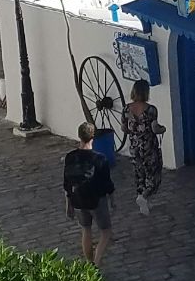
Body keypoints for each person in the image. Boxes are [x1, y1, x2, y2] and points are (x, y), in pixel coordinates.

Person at [62, 122, 114, 266]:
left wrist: (68, 204)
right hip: (96, 199)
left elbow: (67, 183)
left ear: (79, 136)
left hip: (78, 198)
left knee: (86, 230)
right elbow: (107, 183)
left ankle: (89, 262)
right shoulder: (100, 159)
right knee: (106, 232)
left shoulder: (70, 157)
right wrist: (112, 200)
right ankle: (96, 263)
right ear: (93, 137)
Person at [122, 80, 165, 216]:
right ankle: (144, 197)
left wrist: (134, 133)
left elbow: (124, 128)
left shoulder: (126, 109)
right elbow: (154, 128)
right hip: (148, 147)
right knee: (153, 174)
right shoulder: (151, 110)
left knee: (140, 174)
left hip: (134, 147)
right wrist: (163, 129)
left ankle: (144, 202)